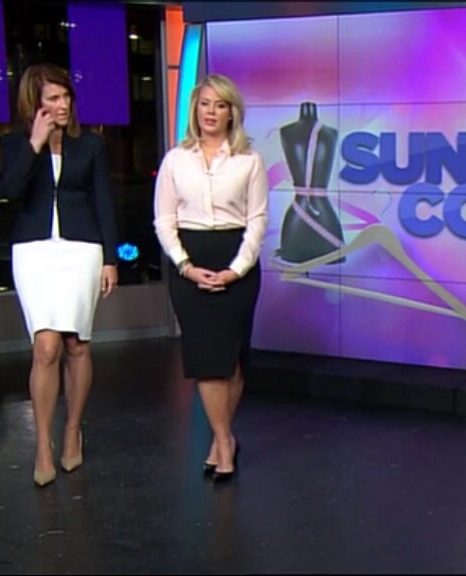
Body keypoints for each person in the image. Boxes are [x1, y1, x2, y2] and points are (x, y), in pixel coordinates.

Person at [0, 63, 119, 487]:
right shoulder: (15, 144)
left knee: (76, 345)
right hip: (34, 252)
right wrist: (35, 144)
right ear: (34, 103)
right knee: (46, 347)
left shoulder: (91, 145)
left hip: (81, 249)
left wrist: (110, 259)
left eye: (66, 96)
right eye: (53, 98)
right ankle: (42, 447)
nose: (62, 104)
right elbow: (10, 191)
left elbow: (103, 201)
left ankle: (72, 431)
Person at [152, 74, 268, 483]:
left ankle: (221, 442)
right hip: (190, 261)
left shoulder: (249, 160)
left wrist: (237, 269)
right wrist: (185, 265)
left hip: (236, 261)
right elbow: (164, 220)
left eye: (220, 105)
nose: (211, 113)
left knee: (231, 361)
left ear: (232, 112)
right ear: (194, 109)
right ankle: (223, 441)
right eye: (205, 104)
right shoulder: (175, 160)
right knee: (206, 362)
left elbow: (257, 221)